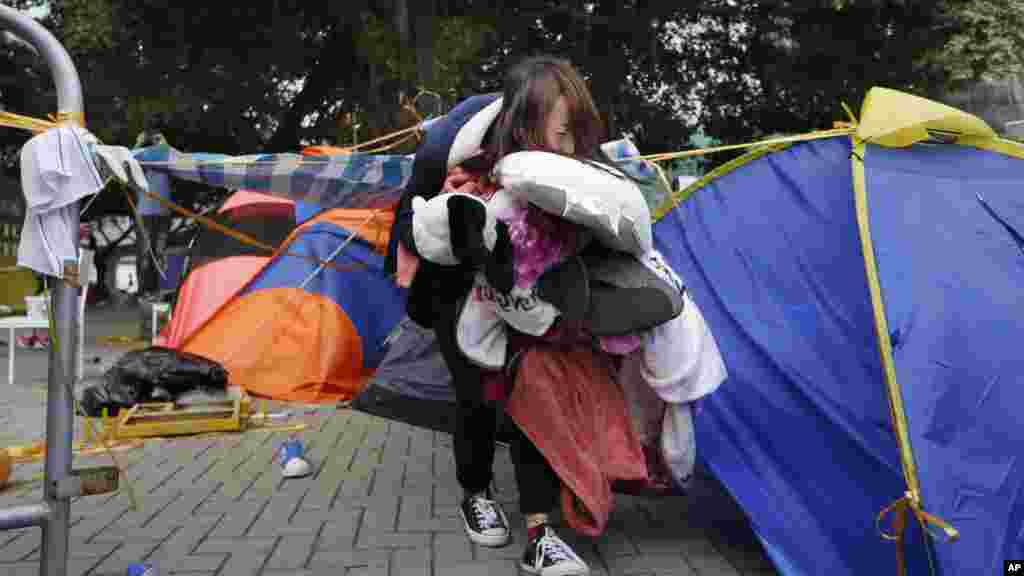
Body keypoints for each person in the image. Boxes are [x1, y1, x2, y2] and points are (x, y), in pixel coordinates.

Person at [386, 55, 611, 576]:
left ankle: (539, 531)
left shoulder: (579, 168)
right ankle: (475, 490)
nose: (569, 144)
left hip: (532, 299)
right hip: (459, 293)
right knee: (477, 398)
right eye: (559, 130)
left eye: (576, 131)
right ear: (524, 121)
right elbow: (426, 229)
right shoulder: (462, 163)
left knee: (535, 397)